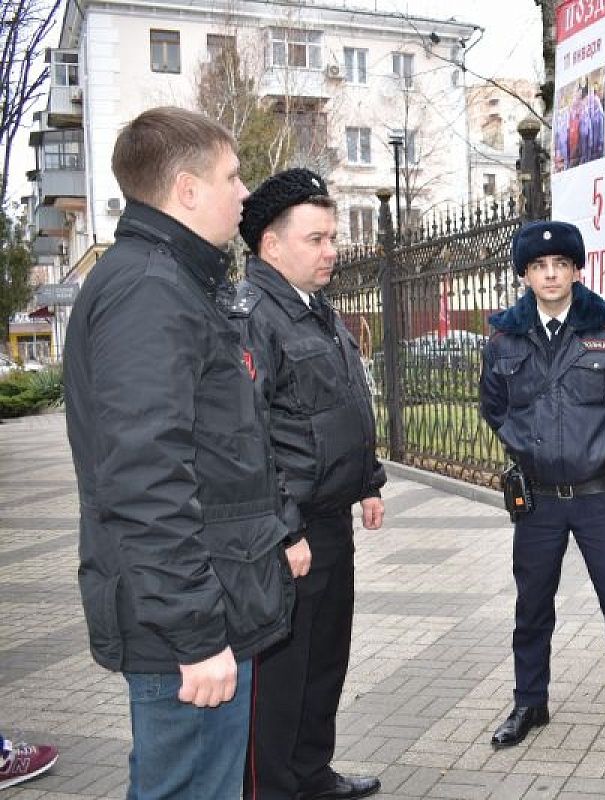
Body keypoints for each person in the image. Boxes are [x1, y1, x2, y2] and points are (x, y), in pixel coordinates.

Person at [64, 106, 295, 798]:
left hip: (206, 598)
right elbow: (146, 479)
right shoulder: (150, 290)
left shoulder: (174, 281)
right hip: (187, 621)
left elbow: (219, 451)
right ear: (188, 190)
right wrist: (196, 635)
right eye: (232, 175)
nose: (244, 192)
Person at [479, 221, 605, 751]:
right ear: (525, 276)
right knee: (532, 607)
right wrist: (526, 445)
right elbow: (493, 407)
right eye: (540, 266)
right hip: (537, 499)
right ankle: (528, 702)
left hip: (599, 495)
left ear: (577, 269)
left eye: (561, 264)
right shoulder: (505, 338)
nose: (551, 273)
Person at [231, 169, 387, 800]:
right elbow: (245, 436)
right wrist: (283, 527)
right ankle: (272, 787)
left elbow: (344, 401)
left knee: (325, 661)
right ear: (272, 245)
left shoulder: (314, 310)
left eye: (332, 238)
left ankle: (311, 773)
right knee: (283, 674)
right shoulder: (252, 315)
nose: (332, 251)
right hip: (288, 533)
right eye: (317, 239)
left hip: (330, 520)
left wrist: (369, 479)